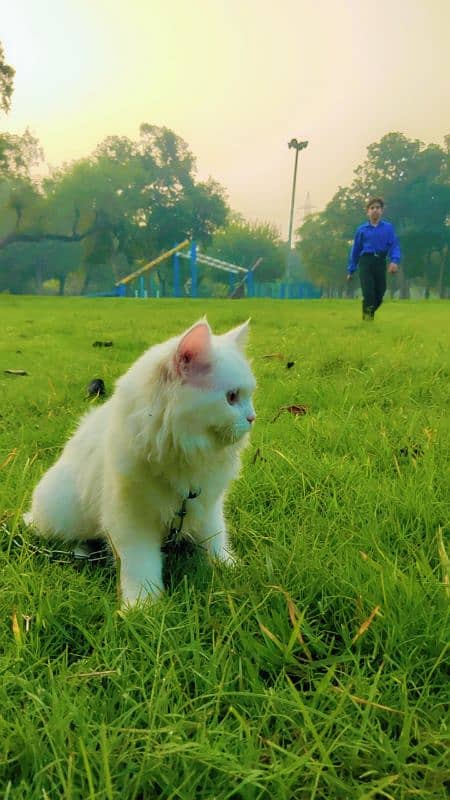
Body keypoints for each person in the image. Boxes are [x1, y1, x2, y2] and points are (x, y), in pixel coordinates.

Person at [347, 197, 401, 320]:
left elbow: (394, 245)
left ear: (382, 211)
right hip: (366, 262)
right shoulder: (362, 229)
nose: (375, 210)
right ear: (368, 212)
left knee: (380, 292)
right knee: (368, 293)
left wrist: (394, 261)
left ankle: (367, 312)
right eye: (372, 208)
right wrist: (351, 269)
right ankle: (367, 319)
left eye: (378, 208)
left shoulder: (388, 228)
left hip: (380, 261)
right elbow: (355, 250)